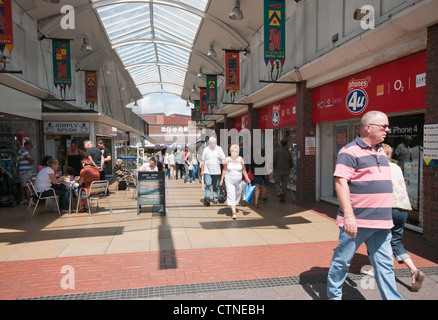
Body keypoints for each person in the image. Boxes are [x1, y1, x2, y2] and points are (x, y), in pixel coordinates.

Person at [327, 110, 403, 300]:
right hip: (358, 222)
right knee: (342, 261)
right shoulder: (349, 151)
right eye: (383, 126)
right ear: (368, 128)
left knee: (385, 265)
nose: (387, 130)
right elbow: (340, 182)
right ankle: (333, 295)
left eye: (387, 126)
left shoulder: (380, 151)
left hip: (382, 222)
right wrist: (349, 216)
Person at [382, 143, 425, 292]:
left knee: (375, 239)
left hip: (387, 208)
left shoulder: (380, 168)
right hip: (403, 209)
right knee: (395, 241)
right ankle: (414, 270)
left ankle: (377, 269)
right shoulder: (396, 167)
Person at [220, 144, 251, 219]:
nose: (234, 153)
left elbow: (243, 169)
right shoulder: (227, 159)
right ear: (230, 152)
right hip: (229, 180)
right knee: (231, 195)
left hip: (238, 181)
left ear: (238, 152)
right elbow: (224, 170)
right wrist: (221, 180)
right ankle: (234, 212)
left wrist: (247, 177)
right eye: (233, 151)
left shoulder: (240, 159)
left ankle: (233, 204)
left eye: (236, 151)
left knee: (238, 194)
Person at [201, 137, 226, 206]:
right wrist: (202, 170)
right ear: (209, 143)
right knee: (208, 184)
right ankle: (207, 199)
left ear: (216, 143)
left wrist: (226, 167)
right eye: (211, 143)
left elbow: (223, 158)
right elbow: (203, 160)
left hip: (216, 171)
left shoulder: (219, 149)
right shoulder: (206, 149)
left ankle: (215, 198)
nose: (213, 144)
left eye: (214, 143)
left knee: (216, 185)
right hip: (207, 170)